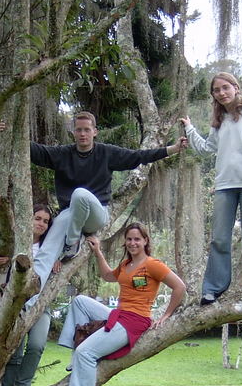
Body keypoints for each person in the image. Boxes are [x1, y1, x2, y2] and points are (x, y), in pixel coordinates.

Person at [27, 112, 188, 294]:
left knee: (79, 194)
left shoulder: (106, 152)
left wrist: (173, 149)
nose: (82, 134)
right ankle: (28, 299)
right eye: (78, 130)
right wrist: (7, 131)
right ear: (73, 132)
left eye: (87, 130)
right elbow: (36, 151)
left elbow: (138, 156)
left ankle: (72, 243)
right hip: (70, 215)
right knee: (46, 250)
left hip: (95, 215)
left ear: (95, 131)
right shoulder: (63, 154)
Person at [57, 222, 186, 386]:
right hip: (119, 314)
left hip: (134, 321)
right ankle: (76, 355)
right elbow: (108, 276)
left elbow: (179, 287)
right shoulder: (126, 265)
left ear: (145, 241)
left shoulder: (152, 265)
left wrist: (166, 315)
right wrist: (98, 252)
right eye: (129, 239)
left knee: (86, 353)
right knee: (80, 302)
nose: (133, 243)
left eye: (137, 239)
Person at [180, 72, 242, 306]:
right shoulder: (219, 121)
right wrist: (190, 129)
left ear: (235, 87)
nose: (221, 93)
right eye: (216, 90)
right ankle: (213, 289)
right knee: (220, 237)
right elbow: (206, 148)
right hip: (225, 185)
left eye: (225, 87)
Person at [0, 204, 59, 386]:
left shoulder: (50, 248)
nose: (41, 224)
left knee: (37, 345)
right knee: (15, 351)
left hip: (40, 304)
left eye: (45, 221)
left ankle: (22, 385)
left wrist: (58, 261)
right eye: (37, 218)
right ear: (29, 219)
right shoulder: (16, 244)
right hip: (16, 305)